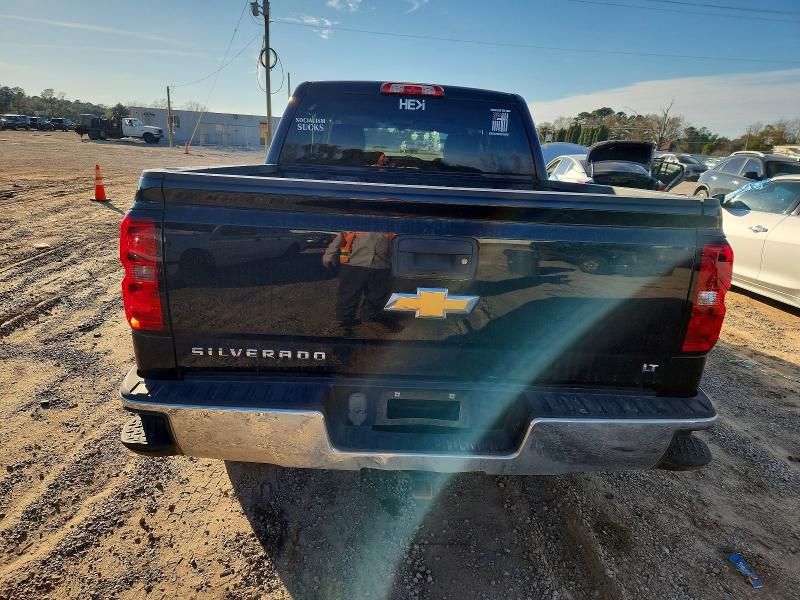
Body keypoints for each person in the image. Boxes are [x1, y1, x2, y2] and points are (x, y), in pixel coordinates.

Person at [322, 231, 395, 331]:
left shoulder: (392, 223)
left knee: (377, 295)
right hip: (353, 263)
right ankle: (343, 320)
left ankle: (369, 318)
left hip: (382, 265)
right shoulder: (358, 222)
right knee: (348, 294)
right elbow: (341, 237)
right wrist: (329, 255)